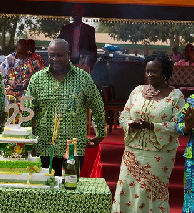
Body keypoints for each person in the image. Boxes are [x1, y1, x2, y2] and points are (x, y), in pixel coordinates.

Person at [112, 53, 185, 212]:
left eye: (154, 71)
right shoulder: (137, 91)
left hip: (159, 153)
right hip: (133, 151)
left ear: (165, 72)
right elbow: (123, 116)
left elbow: (178, 125)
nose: (150, 75)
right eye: (147, 71)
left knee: (151, 194)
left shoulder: (176, 96)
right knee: (127, 189)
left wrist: (152, 126)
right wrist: (132, 124)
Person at [23, 38, 106, 176]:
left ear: (68, 55)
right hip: (44, 147)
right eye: (51, 55)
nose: (55, 59)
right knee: (45, 190)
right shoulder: (37, 79)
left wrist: (100, 133)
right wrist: (27, 142)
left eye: (60, 55)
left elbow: (97, 106)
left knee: (70, 187)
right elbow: (28, 111)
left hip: (73, 148)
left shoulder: (83, 78)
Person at [58, 4, 97, 69]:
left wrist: (90, 64)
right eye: (74, 12)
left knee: (82, 79)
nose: (76, 14)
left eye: (79, 12)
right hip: (67, 61)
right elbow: (58, 44)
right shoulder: (65, 28)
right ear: (72, 14)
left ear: (82, 13)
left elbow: (93, 48)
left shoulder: (89, 29)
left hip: (83, 62)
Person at [176, 94, 194, 213]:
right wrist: (187, 126)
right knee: (191, 197)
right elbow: (179, 125)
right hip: (193, 157)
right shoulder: (193, 100)